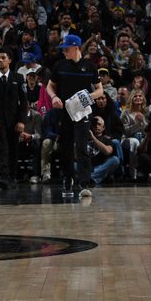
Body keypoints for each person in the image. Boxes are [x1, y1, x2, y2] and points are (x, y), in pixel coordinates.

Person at [45, 34, 104, 199]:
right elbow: (50, 87)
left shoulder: (90, 67)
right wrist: (54, 97)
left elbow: (100, 90)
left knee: (82, 146)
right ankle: (68, 179)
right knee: (65, 147)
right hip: (64, 111)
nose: (64, 52)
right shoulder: (60, 65)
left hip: (82, 111)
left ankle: (84, 183)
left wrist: (86, 98)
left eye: (67, 49)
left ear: (76, 47)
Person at [0, 48, 28, 189]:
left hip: (14, 120)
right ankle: (3, 177)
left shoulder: (18, 78)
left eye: (3, 57)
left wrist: (21, 120)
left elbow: (24, 102)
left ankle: (13, 176)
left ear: (9, 60)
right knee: (2, 149)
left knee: (13, 149)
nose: (0, 60)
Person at [87, 116, 121, 186]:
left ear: (103, 128)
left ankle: (89, 178)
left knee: (115, 160)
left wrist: (93, 138)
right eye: (95, 124)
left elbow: (108, 151)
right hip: (87, 167)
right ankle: (95, 177)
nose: (96, 126)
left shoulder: (106, 139)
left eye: (99, 124)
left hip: (101, 167)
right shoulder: (85, 138)